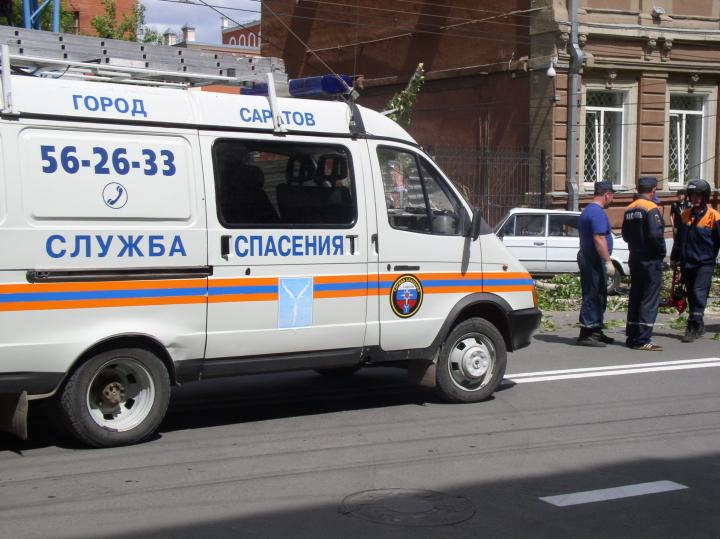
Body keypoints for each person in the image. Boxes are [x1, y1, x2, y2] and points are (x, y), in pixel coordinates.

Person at [670, 179, 720, 342]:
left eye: (699, 195)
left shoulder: (714, 216)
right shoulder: (684, 215)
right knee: (691, 294)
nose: (695, 198)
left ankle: (692, 326)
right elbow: (679, 240)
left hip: (705, 263)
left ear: (705, 197)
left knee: (699, 292)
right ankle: (699, 325)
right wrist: (674, 258)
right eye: (692, 195)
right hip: (687, 262)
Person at [622, 176, 666, 351]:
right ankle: (643, 339)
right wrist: (661, 252)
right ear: (653, 190)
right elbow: (656, 235)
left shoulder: (629, 208)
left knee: (636, 296)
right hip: (650, 259)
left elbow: (625, 235)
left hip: (635, 258)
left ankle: (632, 336)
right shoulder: (651, 208)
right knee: (649, 298)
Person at [576, 181, 616, 347]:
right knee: (593, 294)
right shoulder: (597, 213)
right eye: (612, 196)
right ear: (606, 195)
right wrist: (608, 261)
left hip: (590, 257)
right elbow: (599, 238)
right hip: (593, 259)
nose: (612, 200)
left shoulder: (589, 210)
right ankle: (587, 333)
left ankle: (596, 330)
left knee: (599, 294)